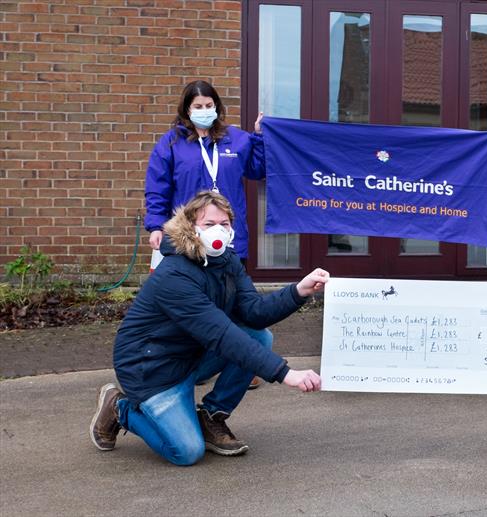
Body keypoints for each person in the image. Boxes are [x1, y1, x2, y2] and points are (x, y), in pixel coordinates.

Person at [90, 191, 329, 466]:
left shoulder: (228, 263)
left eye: (224, 224)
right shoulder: (175, 274)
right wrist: (286, 374)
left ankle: (211, 416)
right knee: (186, 451)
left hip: (190, 356)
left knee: (258, 336)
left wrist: (299, 291)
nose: (218, 230)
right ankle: (119, 407)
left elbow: (254, 313)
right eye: (208, 224)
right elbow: (221, 334)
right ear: (190, 228)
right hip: (151, 369)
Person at [145, 79, 266, 388]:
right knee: (195, 301)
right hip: (189, 238)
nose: (204, 111)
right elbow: (158, 187)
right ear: (187, 109)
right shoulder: (171, 143)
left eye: (209, 106)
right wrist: (156, 225)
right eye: (197, 106)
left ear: (217, 107)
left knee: (236, 300)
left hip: (229, 237)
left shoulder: (236, 139)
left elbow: (258, 169)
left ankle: (245, 362)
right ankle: (196, 363)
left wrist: (262, 137)